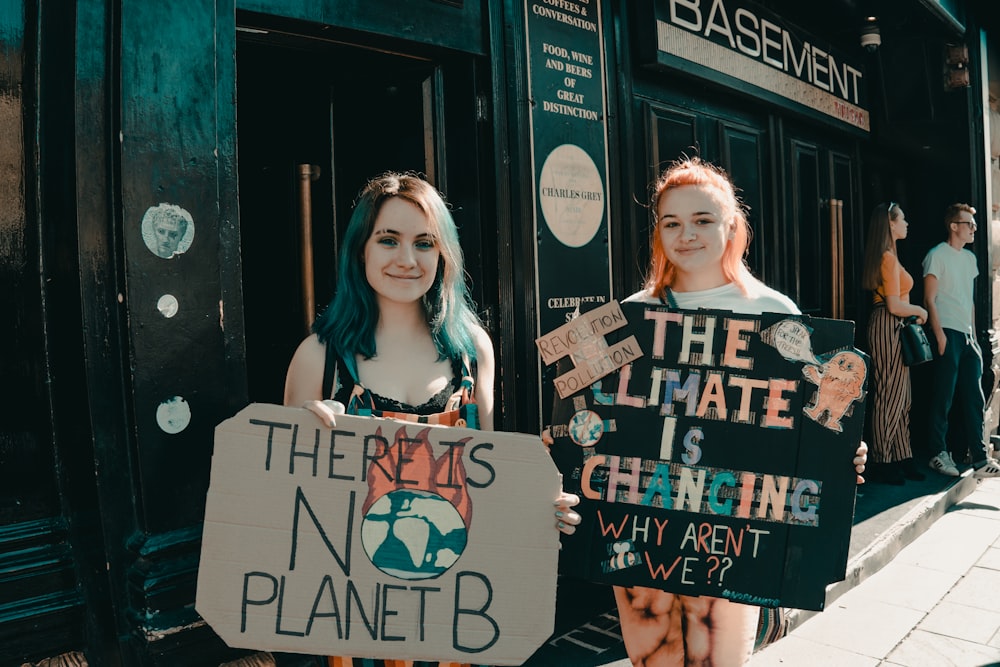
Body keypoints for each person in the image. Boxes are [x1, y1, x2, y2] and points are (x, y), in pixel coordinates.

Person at [547, 157, 867, 666]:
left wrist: (838, 453)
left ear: (733, 226)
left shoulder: (776, 314)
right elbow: (579, 423)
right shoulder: (628, 315)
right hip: (638, 524)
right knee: (652, 658)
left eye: (702, 220)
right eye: (671, 222)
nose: (686, 234)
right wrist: (561, 458)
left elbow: (808, 422)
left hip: (730, 529)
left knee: (715, 660)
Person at [283, 172, 581, 667]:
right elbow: (286, 509)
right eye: (388, 240)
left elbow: (487, 487)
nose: (407, 259)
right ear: (361, 250)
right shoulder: (319, 358)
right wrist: (307, 442)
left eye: (424, 243)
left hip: (453, 614)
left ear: (444, 254)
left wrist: (540, 512)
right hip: (354, 618)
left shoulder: (472, 353)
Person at [922, 203, 1000, 478]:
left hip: (967, 336)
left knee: (974, 398)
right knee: (943, 396)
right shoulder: (936, 256)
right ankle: (937, 453)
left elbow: (969, 301)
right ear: (954, 226)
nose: (974, 229)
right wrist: (940, 334)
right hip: (947, 332)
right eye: (969, 224)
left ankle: (980, 458)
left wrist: (974, 335)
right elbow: (929, 298)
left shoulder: (969, 259)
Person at [859, 202, 928, 485]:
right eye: (903, 219)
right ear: (890, 223)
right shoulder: (887, 258)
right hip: (888, 324)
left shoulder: (890, 256)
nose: (907, 223)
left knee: (902, 396)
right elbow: (894, 304)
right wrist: (920, 311)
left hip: (893, 327)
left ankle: (902, 456)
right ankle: (883, 460)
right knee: (890, 395)